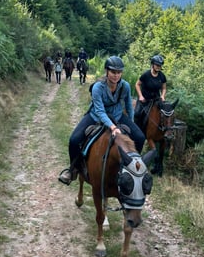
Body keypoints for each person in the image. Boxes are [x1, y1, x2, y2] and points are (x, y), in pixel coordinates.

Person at [58, 56, 145, 185]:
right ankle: (73, 169)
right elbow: (99, 111)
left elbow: (128, 107)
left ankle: (134, 166)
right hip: (96, 116)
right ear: (107, 71)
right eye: (113, 72)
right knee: (74, 140)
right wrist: (112, 127)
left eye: (119, 72)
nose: (116, 75)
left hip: (118, 115)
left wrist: (131, 122)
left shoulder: (125, 86)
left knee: (140, 137)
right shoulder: (98, 87)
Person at [134, 54, 167, 128]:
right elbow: (137, 84)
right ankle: (136, 130)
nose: (158, 67)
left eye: (160, 65)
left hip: (156, 99)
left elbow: (164, 88)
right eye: (157, 65)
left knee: (165, 112)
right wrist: (140, 96)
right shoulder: (146, 74)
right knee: (137, 114)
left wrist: (162, 96)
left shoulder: (162, 76)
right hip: (144, 99)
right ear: (152, 64)